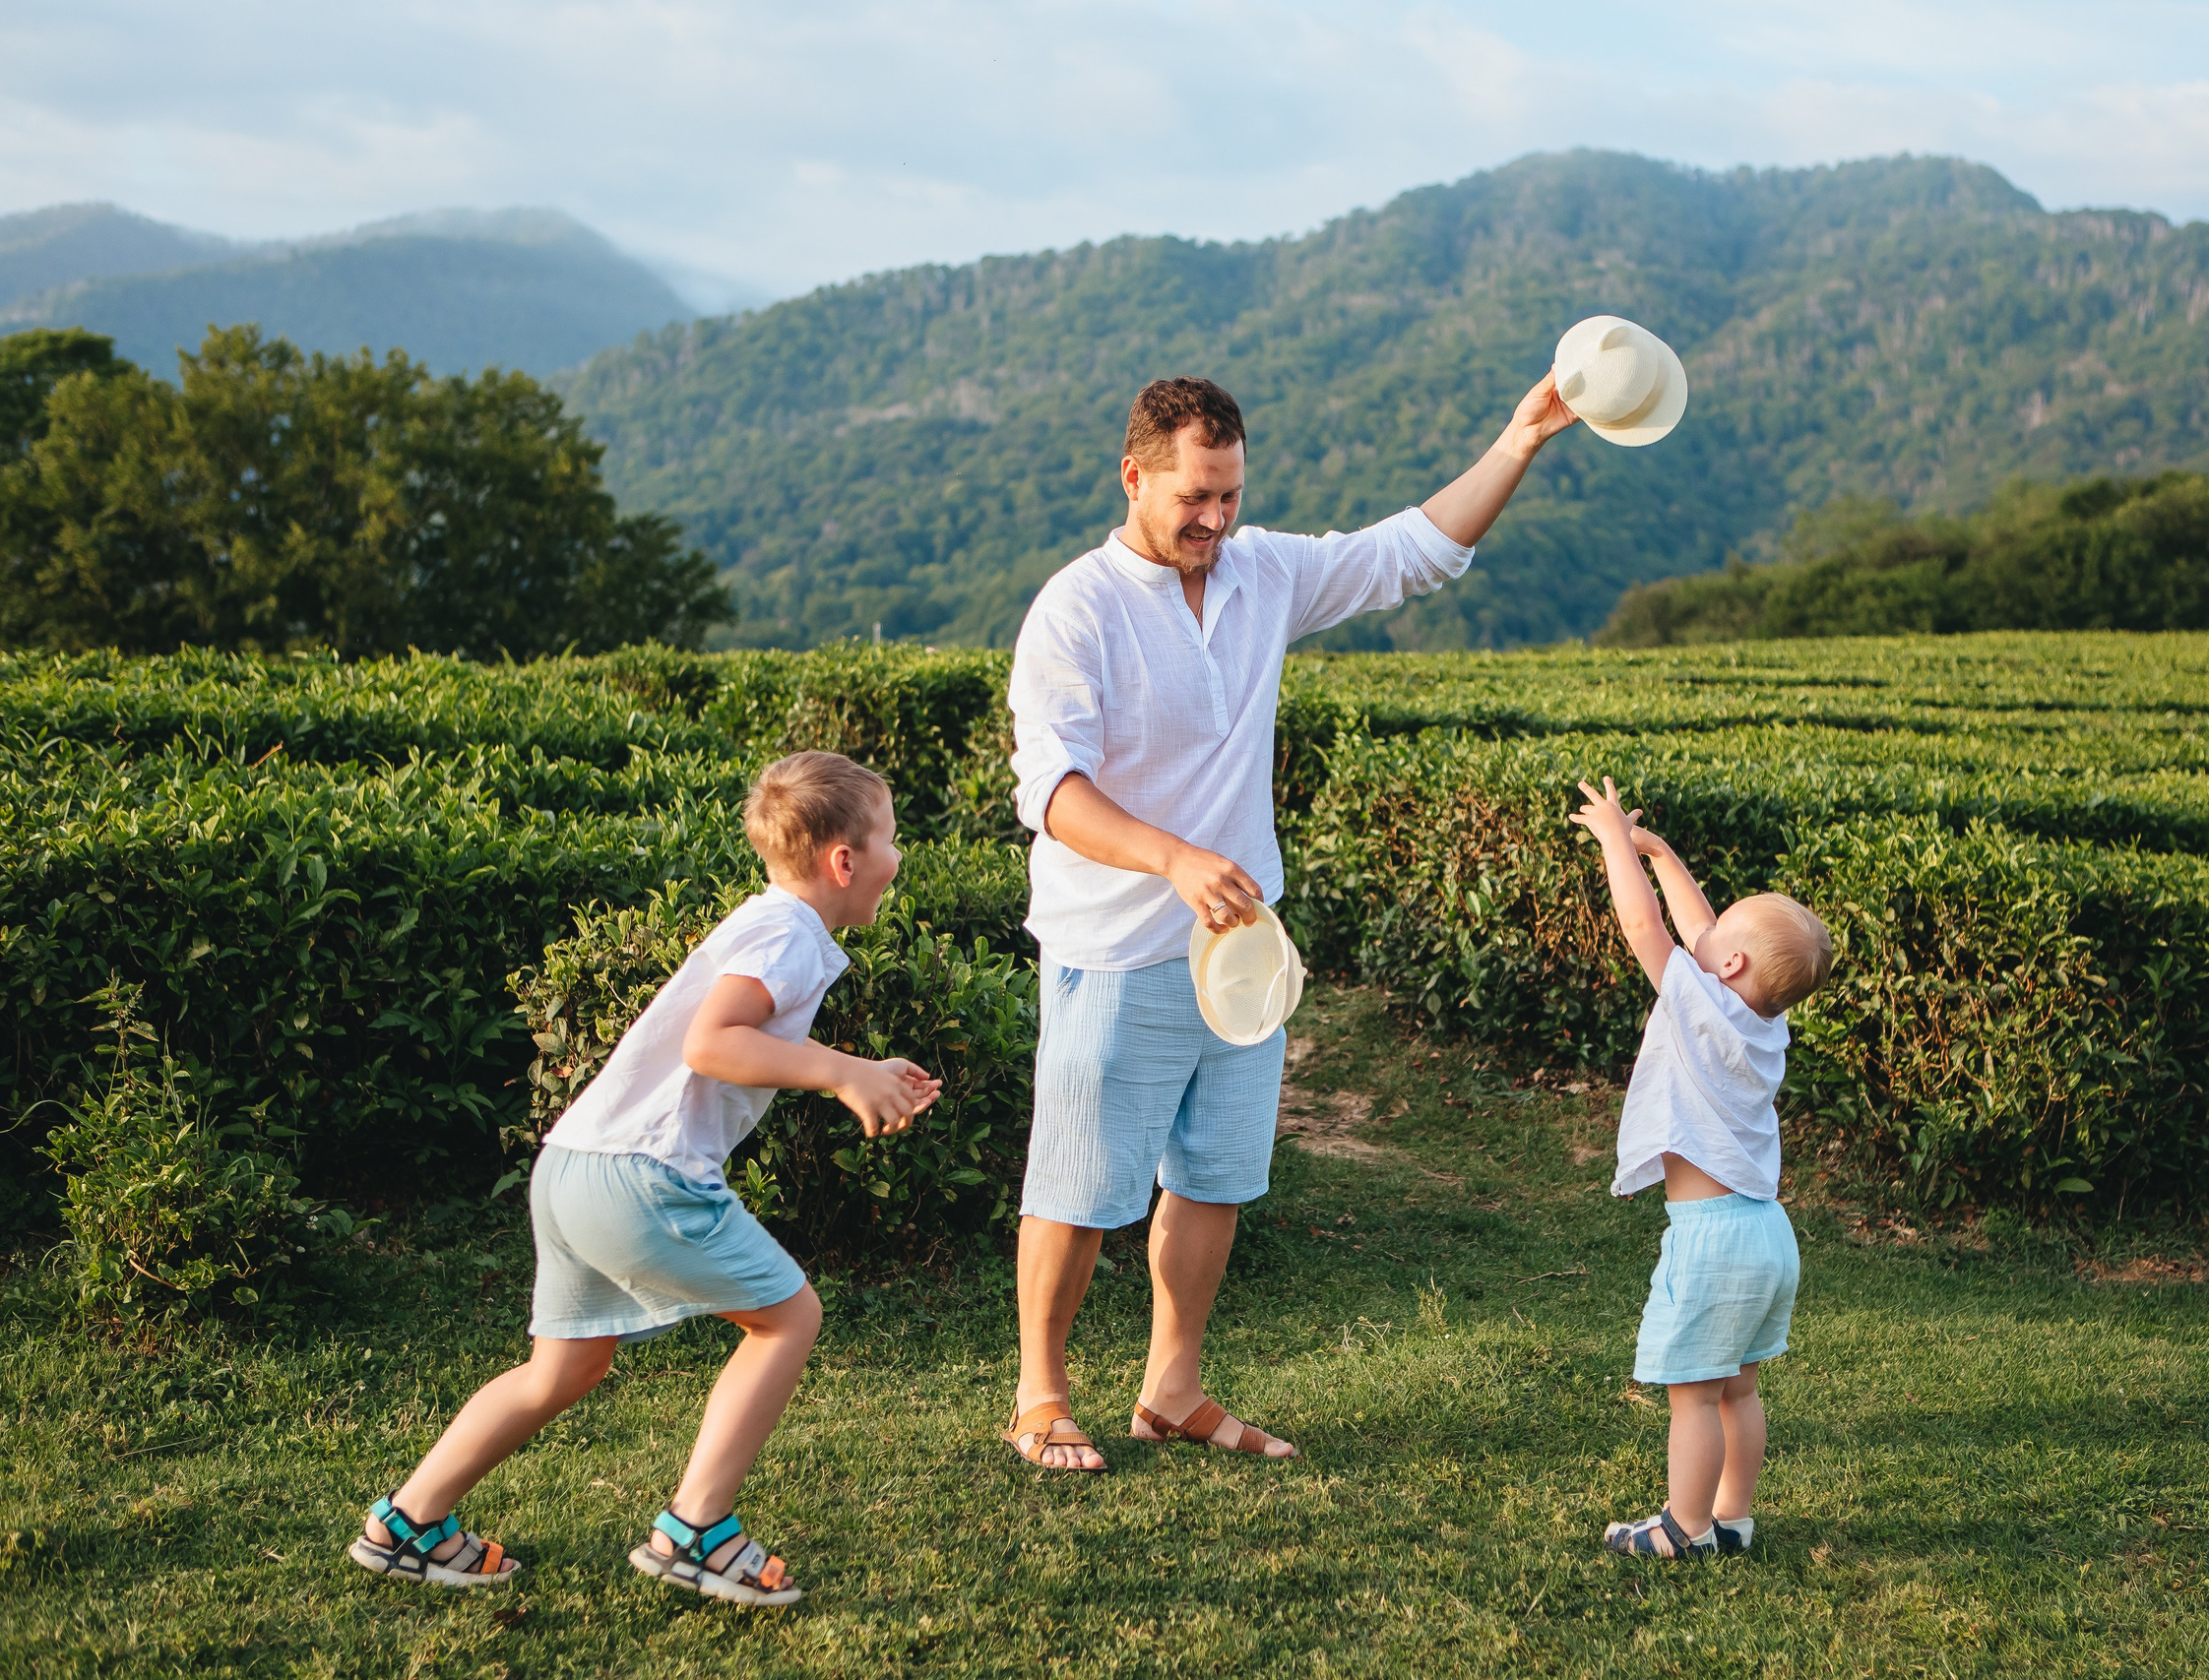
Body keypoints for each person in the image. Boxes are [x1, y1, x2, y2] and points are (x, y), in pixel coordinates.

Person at [999, 372, 1581, 1469]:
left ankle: (1171, 1391)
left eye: (1228, 495)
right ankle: (1040, 1395)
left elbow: (1412, 550)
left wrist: (1520, 439)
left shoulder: (1261, 570)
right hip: (1114, 945)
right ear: (1135, 478)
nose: (1213, 521)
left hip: (1241, 949)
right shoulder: (1076, 608)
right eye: (1193, 499)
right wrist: (1171, 858)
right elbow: (1052, 792)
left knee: (1213, 1175)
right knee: (1078, 1187)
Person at [347, 752, 940, 1605]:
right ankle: (697, 1531)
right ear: (844, 860)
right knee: (788, 1318)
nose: (898, 856)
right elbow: (714, 1042)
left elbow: (734, 1043)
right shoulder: (788, 935)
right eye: (892, 839)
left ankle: (408, 1523)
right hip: (642, 1174)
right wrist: (845, 1071)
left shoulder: (765, 922)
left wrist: (863, 1070)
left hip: (573, 1165)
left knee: (562, 1370)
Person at [1566, 778, 1834, 1561]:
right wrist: (1663, 851)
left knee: (1692, 1394)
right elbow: (1699, 924)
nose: (1703, 934)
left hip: (1712, 1239)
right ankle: (1734, 1517)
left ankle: (1682, 1527)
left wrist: (1618, 841)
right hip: (1767, 1233)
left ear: (1731, 963)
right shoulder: (1762, 1022)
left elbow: (1645, 923)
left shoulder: (1698, 1000)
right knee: (1738, 1389)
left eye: (1720, 936)